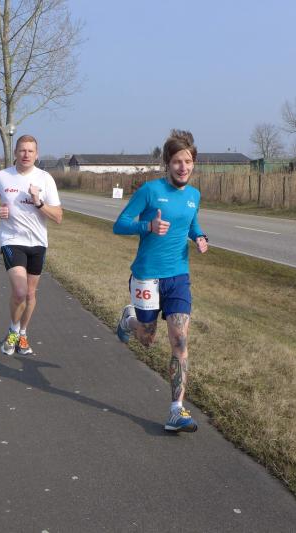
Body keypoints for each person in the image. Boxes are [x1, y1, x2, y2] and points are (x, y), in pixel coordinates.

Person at [113, 129, 209, 433]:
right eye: (178, 161)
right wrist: (148, 226)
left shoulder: (194, 196)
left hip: (178, 276)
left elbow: (191, 224)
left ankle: (176, 410)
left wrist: (200, 236)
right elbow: (119, 225)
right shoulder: (150, 191)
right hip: (147, 275)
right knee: (147, 338)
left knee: (180, 341)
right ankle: (129, 320)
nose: (183, 167)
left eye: (188, 161)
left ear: (194, 163)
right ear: (167, 163)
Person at [0, 134, 62, 356]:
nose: (26, 154)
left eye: (30, 151)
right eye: (22, 150)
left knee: (30, 294)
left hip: (37, 242)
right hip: (12, 240)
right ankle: (13, 330)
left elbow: (58, 216)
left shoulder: (45, 179)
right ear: (15, 153)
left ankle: (23, 333)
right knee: (19, 291)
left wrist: (38, 202)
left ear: (36, 155)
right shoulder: (2, 177)